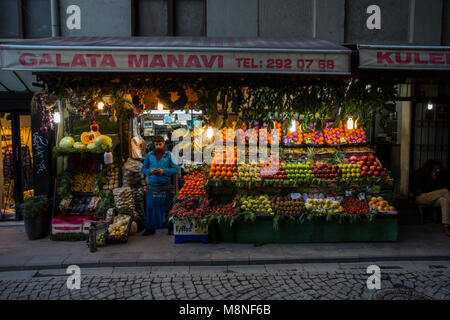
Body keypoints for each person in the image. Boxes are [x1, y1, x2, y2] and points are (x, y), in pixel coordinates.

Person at [141, 136, 179, 236]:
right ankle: (150, 228)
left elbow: (175, 169)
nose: (158, 146)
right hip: (152, 187)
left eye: (160, 144)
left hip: (165, 187)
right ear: (154, 144)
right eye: (156, 144)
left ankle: (170, 227)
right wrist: (150, 171)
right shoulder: (149, 155)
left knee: (167, 208)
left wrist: (164, 171)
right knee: (151, 208)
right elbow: (143, 169)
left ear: (164, 143)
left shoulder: (170, 155)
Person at [413, 160, 450, 236]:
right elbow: (422, 189)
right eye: (436, 169)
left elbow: (438, 188)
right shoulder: (420, 175)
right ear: (430, 168)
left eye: (438, 169)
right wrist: (431, 179)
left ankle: (446, 226)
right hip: (421, 197)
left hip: (432, 198)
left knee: (444, 200)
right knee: (445, 191)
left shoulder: (437, 176)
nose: (438, 170)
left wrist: (435, 179)